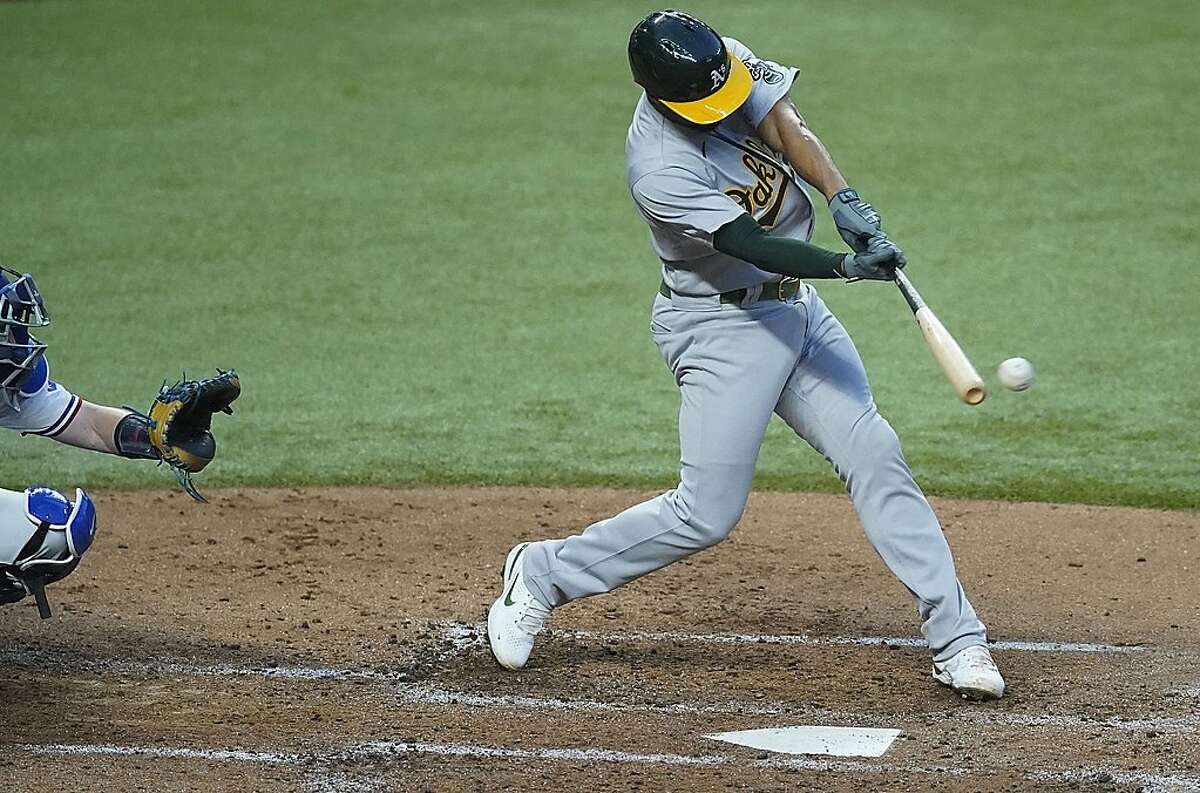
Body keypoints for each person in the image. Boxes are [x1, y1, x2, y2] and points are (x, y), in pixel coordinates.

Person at [488, 11, 1006, 701]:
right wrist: (844, 266)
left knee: (873, 450)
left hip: (793, 310)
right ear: (661, 96)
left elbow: (785, 123)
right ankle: (544, 571)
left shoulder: (721, 61)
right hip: (720, 329)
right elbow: (749, 244)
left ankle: (958, 637)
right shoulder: (659, 167)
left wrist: (841, 194)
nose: (723, 104)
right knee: (706, 512)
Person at [0, 265, 239, 617]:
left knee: (53, 529)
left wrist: (151, 437)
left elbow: (85, 421)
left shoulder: (8, 379)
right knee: (39, 533)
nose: (15, 340)